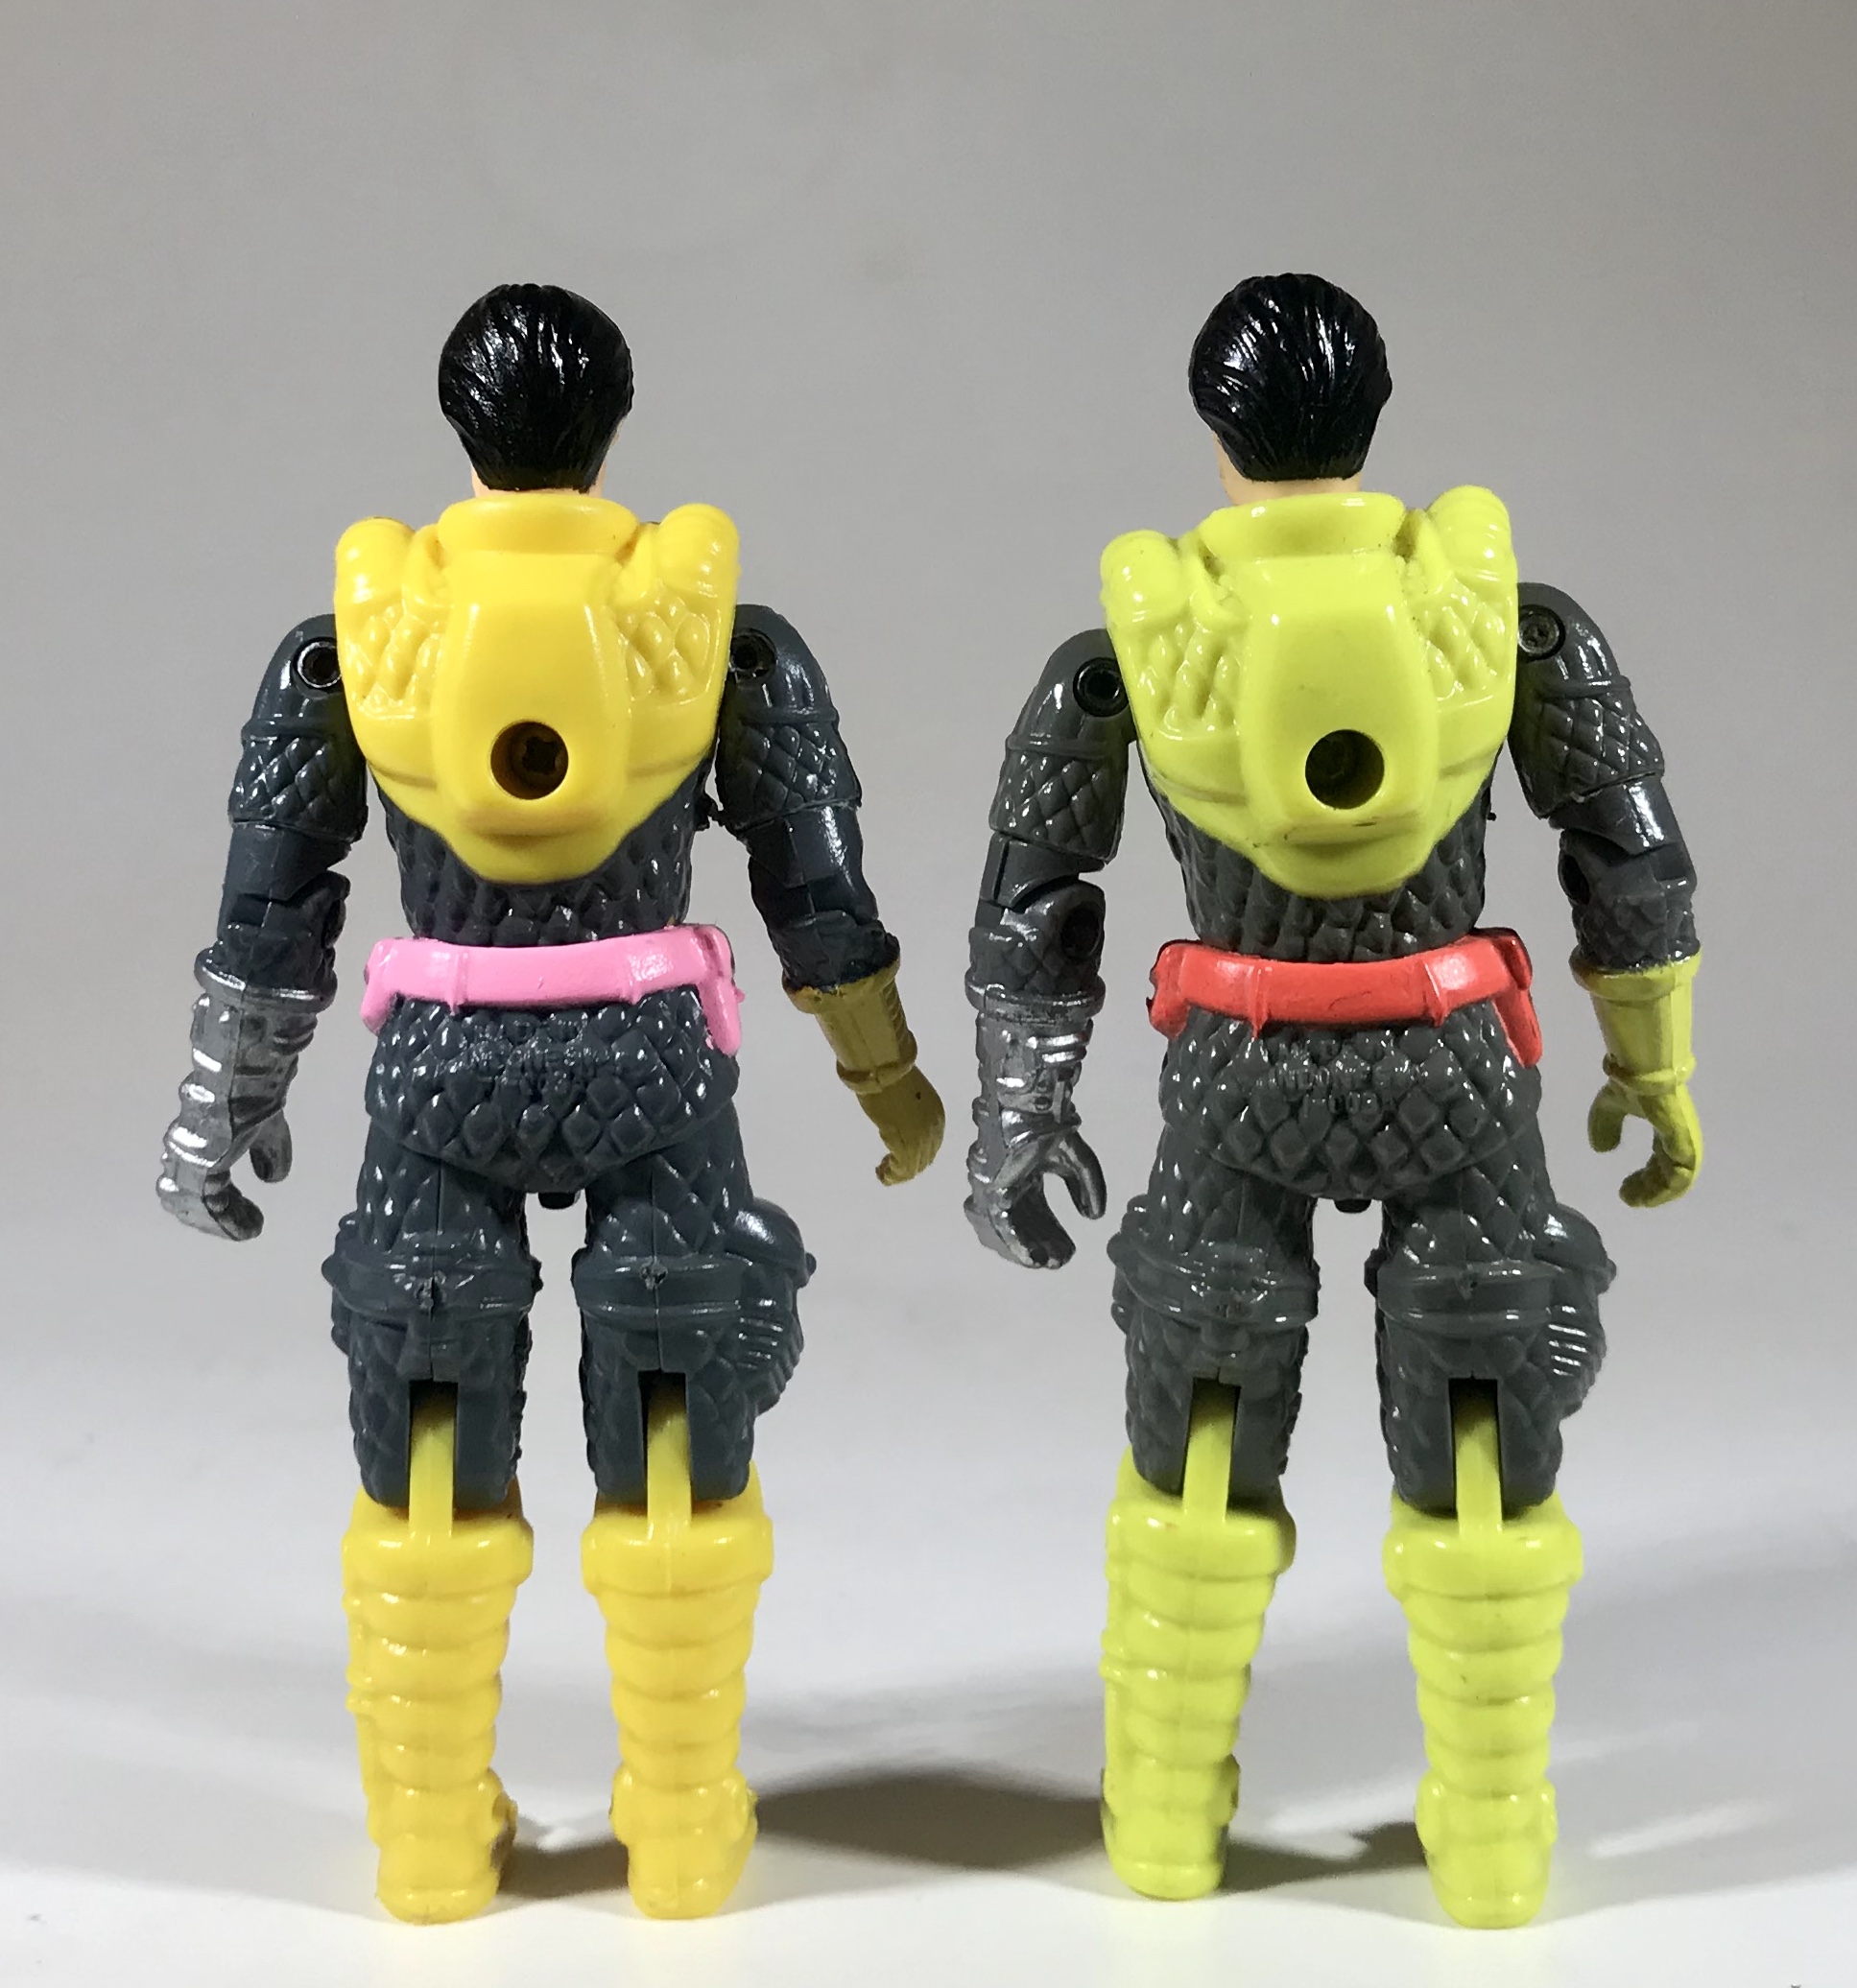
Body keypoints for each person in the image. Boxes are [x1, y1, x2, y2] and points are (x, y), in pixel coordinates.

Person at [159, 283, 943, 1923]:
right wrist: (891, 1082)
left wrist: (221, 1104)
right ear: (613, 427)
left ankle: (429, 1844)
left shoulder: (353, 643)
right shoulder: (722, 637)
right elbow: (819, 897)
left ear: (460, 425)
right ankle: (684, 1830)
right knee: (678, 1434)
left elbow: (270, 909)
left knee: (426, 1447)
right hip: (654, 1070)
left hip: (438, 1080)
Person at [964, 272, 1700, 1928]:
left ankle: (1164, 1830)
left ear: (1216, 432)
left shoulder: (1126, 654)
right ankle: (1494, 1845)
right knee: (1483, 1445)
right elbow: (1633, 862)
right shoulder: (1511, 626)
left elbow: (1035, 909)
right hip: (1456, 1077)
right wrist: (1655, 1064)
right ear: (1377, 419)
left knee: (1199, 1445)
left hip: (1238, 1078)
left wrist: (1020, 1109)